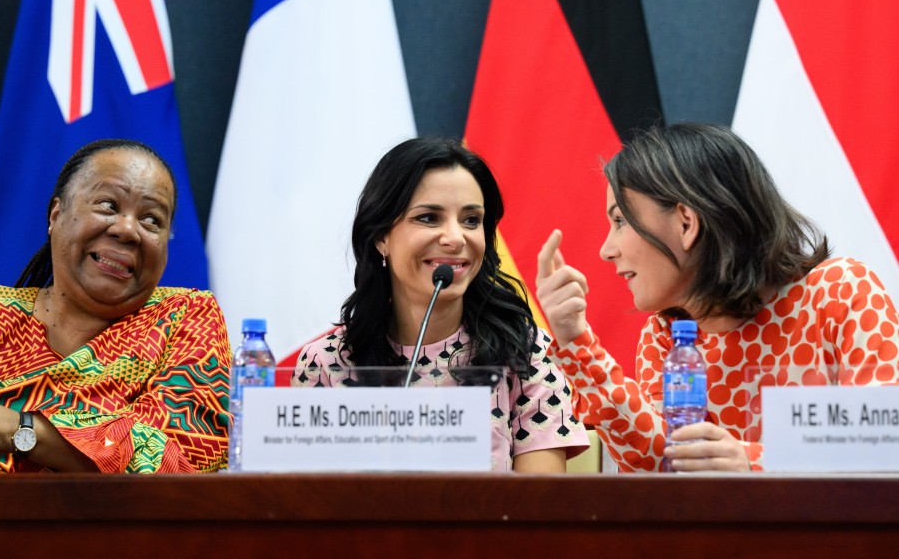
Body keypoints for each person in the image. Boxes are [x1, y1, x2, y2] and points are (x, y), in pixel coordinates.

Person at [536, 122, 899, 472]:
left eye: (620, 221)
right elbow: (657, 463)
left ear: (686, 223)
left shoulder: (840, 290)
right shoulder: (666, 336)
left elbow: (886, 442)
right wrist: (574, 338)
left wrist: (754, 464)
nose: (606, 250)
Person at [0, 139, 231, 473]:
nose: (128, 230)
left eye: (152, 219)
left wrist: (22, 431)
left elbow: (185, 459)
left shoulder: (187, 318)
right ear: (55, 215)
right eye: (109, 205)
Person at [293, 137, 589, 472]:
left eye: (471, 220)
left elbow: (540, 507)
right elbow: (312, 510)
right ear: (381, 237)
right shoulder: (327, 362)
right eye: (430, 218)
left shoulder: (523, 349)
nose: (455, 238)